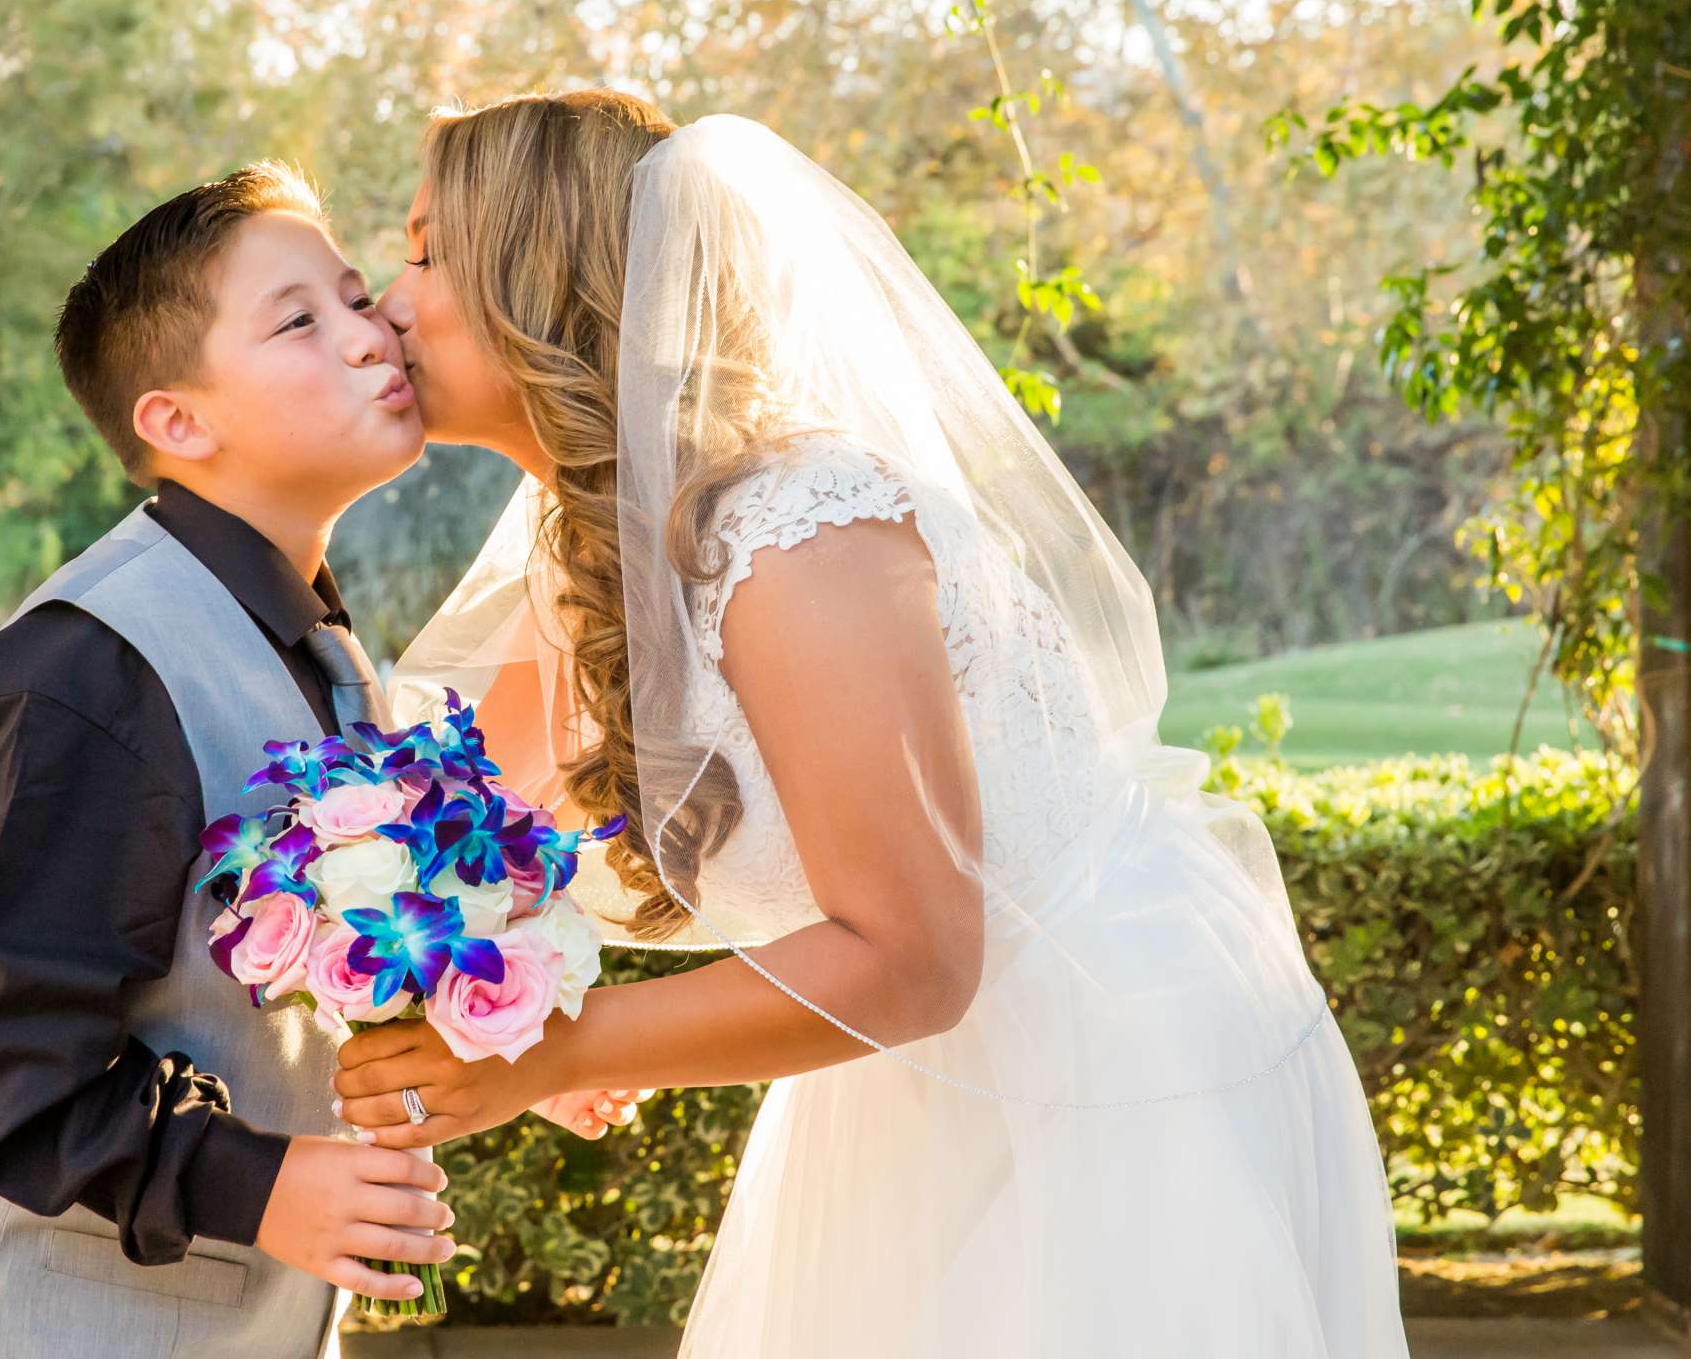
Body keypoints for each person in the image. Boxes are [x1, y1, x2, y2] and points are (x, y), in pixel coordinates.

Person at [332, 92, 1411, 1356]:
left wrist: (558, 1055)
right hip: (898, 1089)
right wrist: (476, 995)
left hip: (1093, 1094)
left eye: (425, 252)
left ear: (541, 274)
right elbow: (469, 838)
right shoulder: (591, 557)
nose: (388, 303)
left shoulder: (795, 530)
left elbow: (915, 955)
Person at [0, 162, 452, 1359]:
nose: (369, 332)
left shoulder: (312, 640)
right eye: (300, 319)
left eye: (354, 294)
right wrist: (263, 1184)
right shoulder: (78, 675)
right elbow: (9, 1062)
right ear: (178, 421)